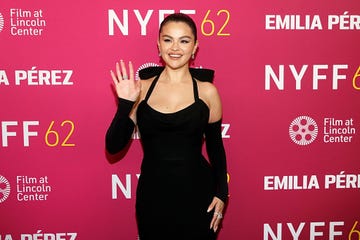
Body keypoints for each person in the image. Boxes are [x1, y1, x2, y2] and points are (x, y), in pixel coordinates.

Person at [105, 13, 228, 240]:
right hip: (153, 199)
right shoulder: (140, 88)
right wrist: (125, 105)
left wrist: (222, 193)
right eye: (168, 39)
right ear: (158, 44)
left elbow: (216, 148)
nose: (175, 48)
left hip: (199, 197)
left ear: (195, 47)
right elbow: (112, 147)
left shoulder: (207, 92)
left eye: (184, 40)